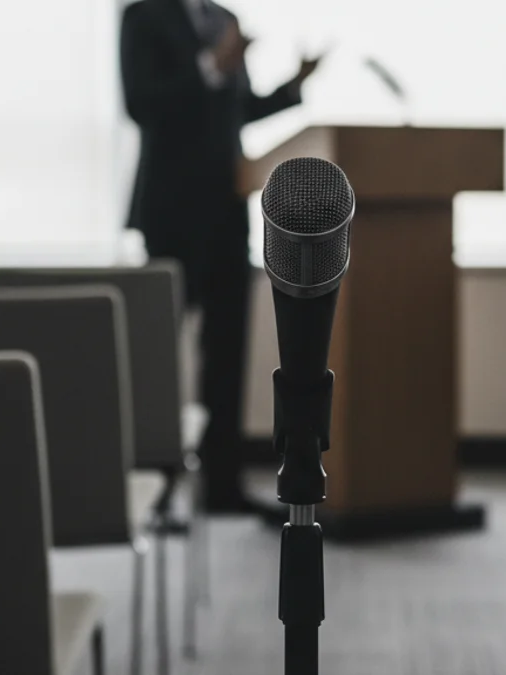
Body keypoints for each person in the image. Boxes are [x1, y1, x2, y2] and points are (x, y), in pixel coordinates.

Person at [120, 0, 320, 512]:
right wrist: (211, 66)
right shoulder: (144, 16)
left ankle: (222, 487)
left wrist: (295, 86)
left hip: (227, 213)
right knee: (159, 357)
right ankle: (157, 485)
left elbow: (240, 107)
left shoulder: (225, 19)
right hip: (169, 215)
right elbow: (141, 103)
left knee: (227, 355)